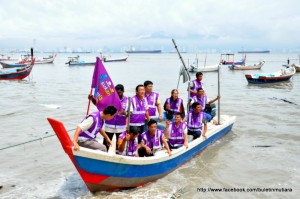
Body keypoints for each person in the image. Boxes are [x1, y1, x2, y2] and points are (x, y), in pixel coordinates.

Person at [103, 84, 129, 150]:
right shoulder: (110, 99)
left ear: (123, 91)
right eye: (116, 92)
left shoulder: (127, 100)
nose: (117, 94)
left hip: (121, 127)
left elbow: (130, 113)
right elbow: (101, 107)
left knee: (119, 144)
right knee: (106, 143)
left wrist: (125, 113)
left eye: (119, 92)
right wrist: (93, 100)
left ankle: (118, 157)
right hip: (109, 125)